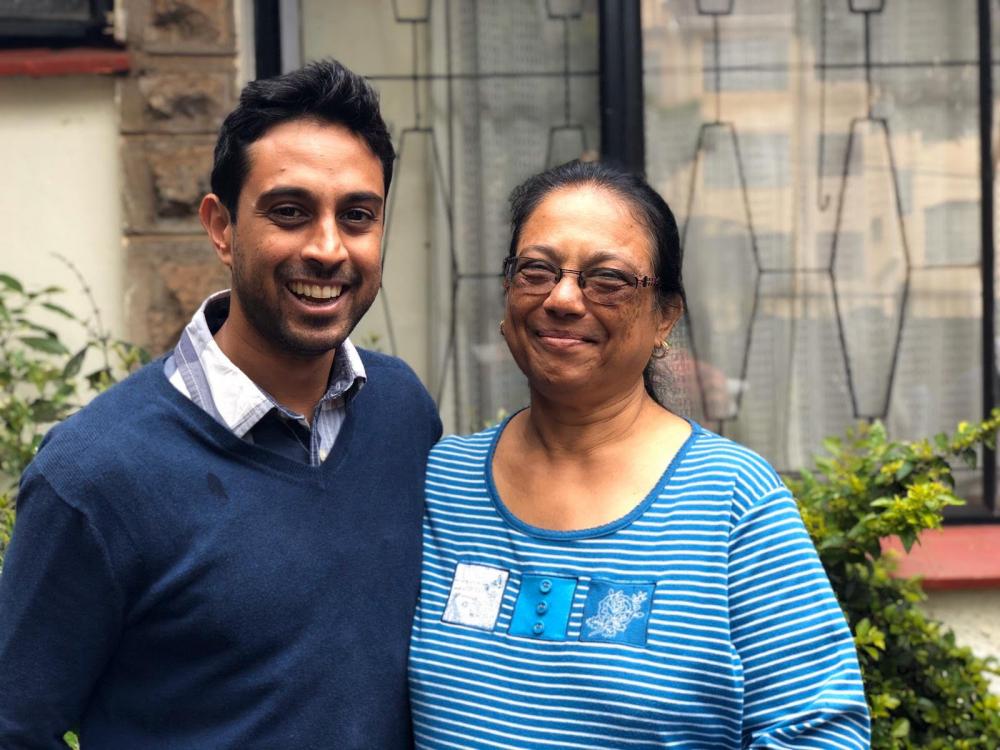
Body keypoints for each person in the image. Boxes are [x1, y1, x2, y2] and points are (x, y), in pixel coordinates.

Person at [0, 59, 441, 748]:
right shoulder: (95, 476)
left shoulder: (403, 412)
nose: (329, 249)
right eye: (290, 212)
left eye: (358, 216)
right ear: (221, 227)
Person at [409, 160, 871, 748]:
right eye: (537, 270)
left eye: (608, 279)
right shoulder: (443, 482)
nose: (563, 299)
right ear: (508, 292)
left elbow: (820, 732)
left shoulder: (732, 500)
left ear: (665, 317)